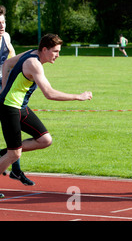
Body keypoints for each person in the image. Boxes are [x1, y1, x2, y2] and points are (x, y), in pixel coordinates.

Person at [0, 34, 92, 198]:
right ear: (44, 49)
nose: (58, 55)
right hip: (9, 107)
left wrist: (4, 87)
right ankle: (9, 153)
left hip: (21, 106)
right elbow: (49, 93)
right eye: (55, 51)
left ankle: (5, 153)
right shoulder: (34, 63)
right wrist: (78, 96)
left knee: (45, 140)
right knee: (14, 154)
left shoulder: (31, 52)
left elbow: (7, 63)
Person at [0, 5, 35, 186]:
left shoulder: (5, 37)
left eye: (3, 22)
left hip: (4, 91)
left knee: (14, 132)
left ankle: (15, 169)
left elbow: (11, 60)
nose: (1, 26)